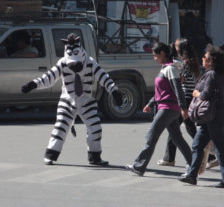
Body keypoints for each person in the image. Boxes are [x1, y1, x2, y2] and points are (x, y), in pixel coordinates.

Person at [21, 33, 123, 166]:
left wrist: (114, 91)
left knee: (95, 127)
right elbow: (49, 77)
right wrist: (33, 84)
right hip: (67, 99)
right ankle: (51, 154)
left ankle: (94, 156)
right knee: (61, 126)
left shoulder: (90, 62)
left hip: (86, 99)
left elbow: (103, 77)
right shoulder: (63, 63)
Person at [126, 42, 192, 176]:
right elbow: (160, 92)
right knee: (177, 138)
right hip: (168, 108)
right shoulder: (165, 68)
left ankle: (139, 166)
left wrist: (183, 108)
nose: (154, 58)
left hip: (168, 109)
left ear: (162, 54)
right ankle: (193, 165)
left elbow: (178, 90)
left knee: (151, 135)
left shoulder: (171, 69)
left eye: (155, 55)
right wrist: (150, 104)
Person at [178, 44, 224, 188]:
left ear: (212, 61)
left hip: (212, 116)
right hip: (213, 116)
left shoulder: (211, 74)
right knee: (197, 145)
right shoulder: (221, 73)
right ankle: (192, 176)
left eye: (205, 57)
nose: (202, 59)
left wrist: (196, 93)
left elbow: (205, 95)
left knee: (219, 148)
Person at [157, 38, 200, 166]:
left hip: (185, 99)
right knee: (189, 129)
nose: (174, 47)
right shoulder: (192, 62)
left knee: (174, 128)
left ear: (181, 48)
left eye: (176, 46)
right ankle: (209, 156)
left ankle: (169, 158)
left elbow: (181, 81)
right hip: (189, 98)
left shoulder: (186, 63)